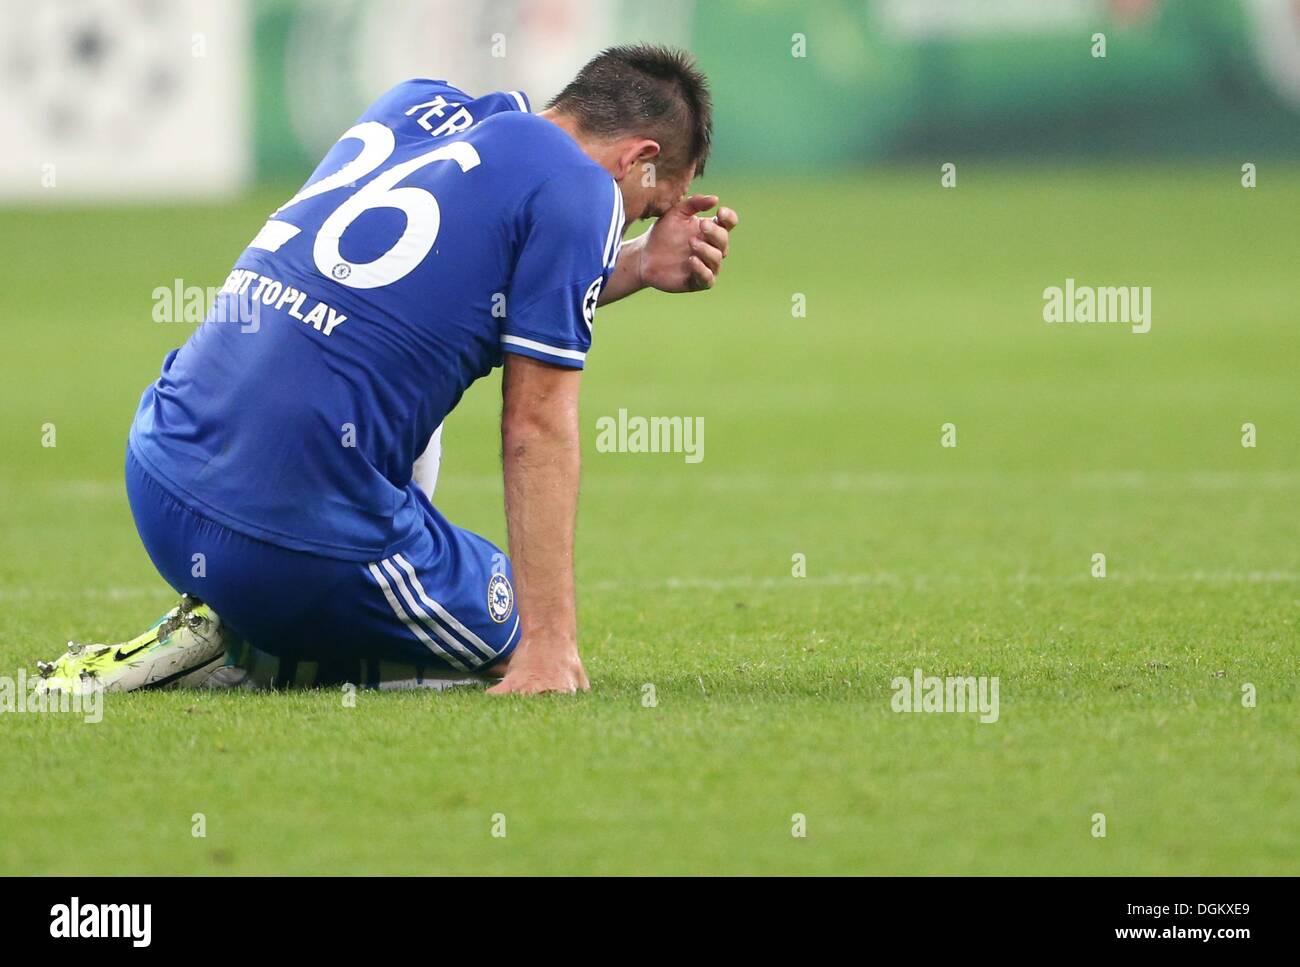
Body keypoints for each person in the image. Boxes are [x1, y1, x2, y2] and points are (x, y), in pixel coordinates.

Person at [36, 44, 738, 697]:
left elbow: (437, 293)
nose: (629, 224)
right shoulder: (582, 188)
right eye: (644, 209)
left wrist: (640, 262)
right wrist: (551, 645)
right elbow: (535, 421)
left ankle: (243, 611)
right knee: (511, 623)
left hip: (159, 471)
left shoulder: (417, 106)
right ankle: (259, 642)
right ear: (637, 158)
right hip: (274, 536)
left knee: (365, 382)